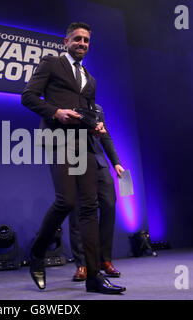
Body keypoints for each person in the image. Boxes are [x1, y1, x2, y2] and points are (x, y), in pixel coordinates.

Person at [21, 22, 125, 294]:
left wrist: (95, 126)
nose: (82, 43)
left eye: (86, 40)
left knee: (90, 207)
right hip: (58, 139)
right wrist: (56, 113)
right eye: (77, 39)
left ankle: (93, 277)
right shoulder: (51, 64)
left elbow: (88, 111)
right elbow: (28, 97)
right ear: (65, 41)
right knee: (66, 201)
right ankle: (37, 252)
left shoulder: (90, 79)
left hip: (85, 143)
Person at [70, 104, 124, 282]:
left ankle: (104, 260)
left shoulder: (97, 108)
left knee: (109, 204)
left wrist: (116, 162)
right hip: (77, 161)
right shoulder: (67, 104)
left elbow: (106, 136)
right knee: (79, 211)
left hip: (99, 162)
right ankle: (82, 264)